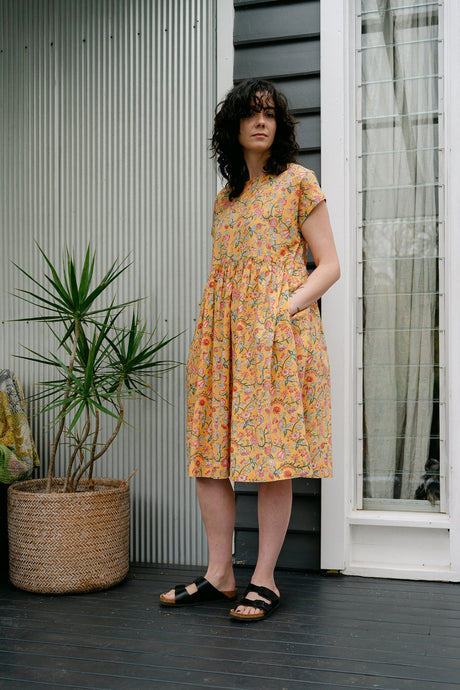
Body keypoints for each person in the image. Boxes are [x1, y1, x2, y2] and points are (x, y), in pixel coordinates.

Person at [160, 78, 340, 621]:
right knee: (210, 452)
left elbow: (328, 265)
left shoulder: (299, 183)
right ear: (233, 126)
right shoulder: (226, 198)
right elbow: (226, 276)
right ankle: (220, 573)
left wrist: (282, 311)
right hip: (223, 337)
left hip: (277, 339)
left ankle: (265, 579)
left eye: (269, 114)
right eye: (250, 113)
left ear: (279, 126)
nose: (261, 121)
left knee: (272, 456)